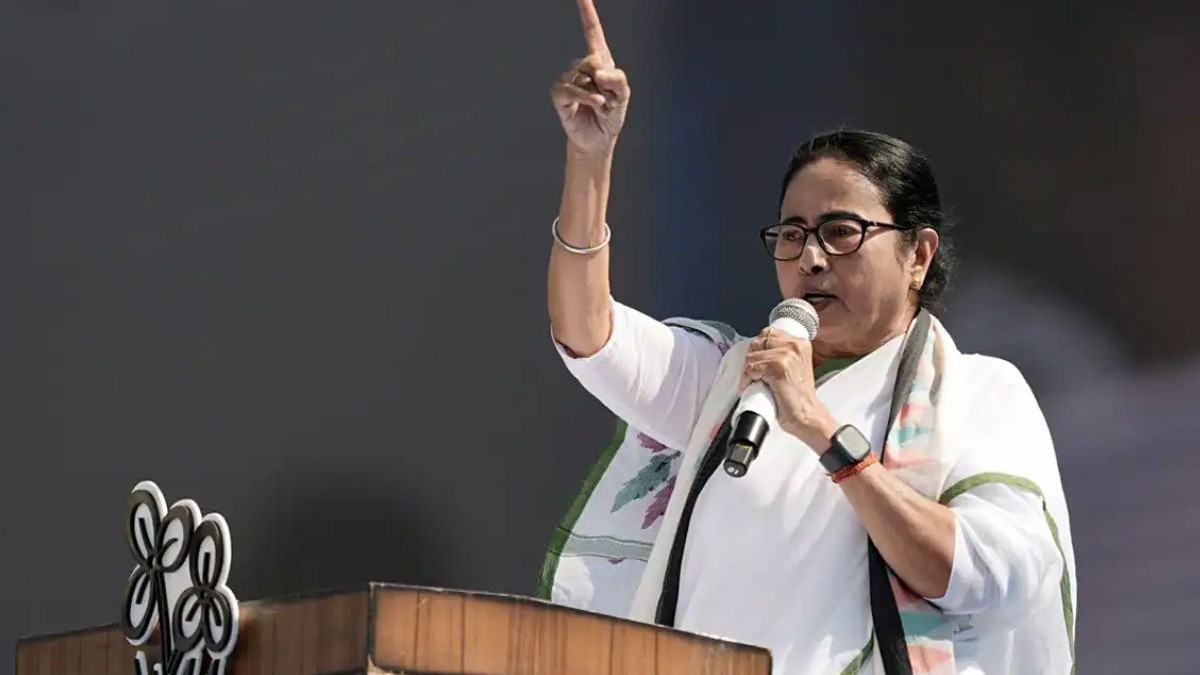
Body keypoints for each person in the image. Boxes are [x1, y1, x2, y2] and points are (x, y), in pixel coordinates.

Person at [541, 1, 1077, 673]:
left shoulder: (981, 392)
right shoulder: (730, 379)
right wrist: (590, 157)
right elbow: (589, 334)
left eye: (842, 231)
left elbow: (986, 577)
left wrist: (822, 431)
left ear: (918, 253)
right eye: (792, 234)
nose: (812, 258)